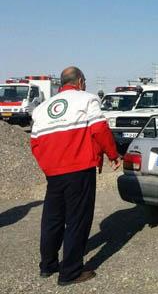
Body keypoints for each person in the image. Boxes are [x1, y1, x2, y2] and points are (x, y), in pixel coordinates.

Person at [30, 67, 121, 286]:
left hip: (54, 173)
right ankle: (70, 272)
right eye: (85, 82)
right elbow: (99, 129)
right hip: (79, 170)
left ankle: (48, 265)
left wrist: (49, 165)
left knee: (52, 219)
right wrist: (113, 154)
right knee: (77, 220)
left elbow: (34, 142)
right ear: (80, 81)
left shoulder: (42, 108)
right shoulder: (86, 99)